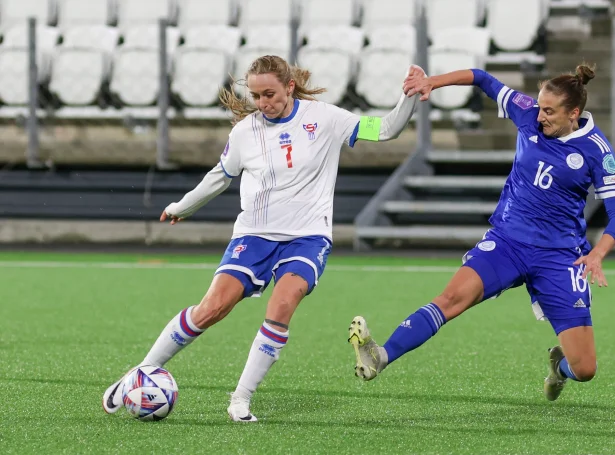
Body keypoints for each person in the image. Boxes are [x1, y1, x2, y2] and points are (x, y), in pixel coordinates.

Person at [102, 55, 424, 421]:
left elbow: (385, 129)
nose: (262, 104)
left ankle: (241, 398)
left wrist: (409, 96)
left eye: (269, 94)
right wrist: (183, 205)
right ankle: (140, 374)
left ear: (289, 87)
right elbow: (220, 176)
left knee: (283, 305)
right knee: (211, 309)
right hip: (254, 235)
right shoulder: (245, 132)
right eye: (255, 96)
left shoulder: (326, 119)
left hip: (308, 237)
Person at [348, 63, 615, 402]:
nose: (540, 115)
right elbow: (481, 78)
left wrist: (597, 253)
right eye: (539, 106)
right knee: (451, 299)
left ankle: (559, 367)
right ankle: (381, 355)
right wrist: (432, 82)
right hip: (507, 242)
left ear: (574, 113)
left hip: (560, 257)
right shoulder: (527, 114)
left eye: (549, 111)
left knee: (586, 368)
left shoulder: (597, 151)